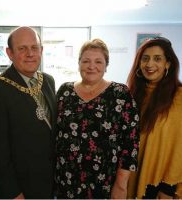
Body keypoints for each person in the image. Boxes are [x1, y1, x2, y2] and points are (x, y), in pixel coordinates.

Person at [55, 38, 140, 199]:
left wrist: (121, 184)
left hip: (105, 181)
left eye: (98, 62)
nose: (91, 66)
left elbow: (131, 142)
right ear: (79, 63)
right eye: (86, 61)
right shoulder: (64, 91)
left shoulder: (120, 93)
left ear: (106, 66)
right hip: (66, 180)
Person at [0, 26, 57, 199]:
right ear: (9, 53)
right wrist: (13, 192)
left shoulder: (48, 81)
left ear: (41, 50)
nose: (30, 53)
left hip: (49, 182)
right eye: (22, 48)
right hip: (20, 187)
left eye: (34, 47)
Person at [127, 36, 182, 199]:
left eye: (157, 59)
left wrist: (168, 189)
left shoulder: (180, 97)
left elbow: (181, 148)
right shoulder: (134, 94)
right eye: (145, 59)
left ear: (168, 63)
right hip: (131, 175)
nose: (150, 64)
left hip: (159, 183)